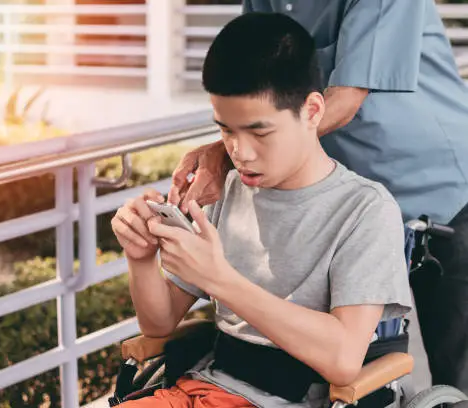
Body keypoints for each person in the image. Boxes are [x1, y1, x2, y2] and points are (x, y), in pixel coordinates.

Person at [111, 12, 412, 408]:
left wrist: (219, 280)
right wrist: (141, 258)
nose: (240, 152)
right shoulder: (226, 190)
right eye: (226, 130)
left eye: (259, 131)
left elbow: (343, 359)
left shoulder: (365, 211)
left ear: (312, 111)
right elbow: (160, 323)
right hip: (204, 389)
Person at [169, 0, 468, 393]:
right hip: (334, 202)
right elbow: (253, 75)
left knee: (459, 367)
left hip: (434, 187)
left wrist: (228, 153)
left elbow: (342, 100)